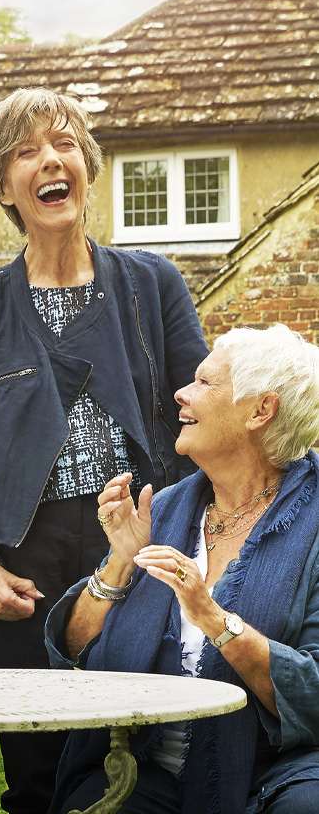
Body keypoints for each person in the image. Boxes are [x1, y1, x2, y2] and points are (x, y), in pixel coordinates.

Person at [0, 87, 208, 814]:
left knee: (138, 762)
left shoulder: (154, 284)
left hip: (140, 549)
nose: (50, 160)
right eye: (26, 151)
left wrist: (193, 540)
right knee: (34, 778)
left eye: (63, 143)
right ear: (3, 186)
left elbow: (202, 424)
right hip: (20, 570)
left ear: (86, 163)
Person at [45, 324, 319, 814]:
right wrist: (120, 562)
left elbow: (314, 693)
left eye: (205, 383)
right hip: (146, 763)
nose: (181, 392)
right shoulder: (166, 510)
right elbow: (75, 652)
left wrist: (214, 619)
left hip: (276, 768)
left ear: (261, 410)